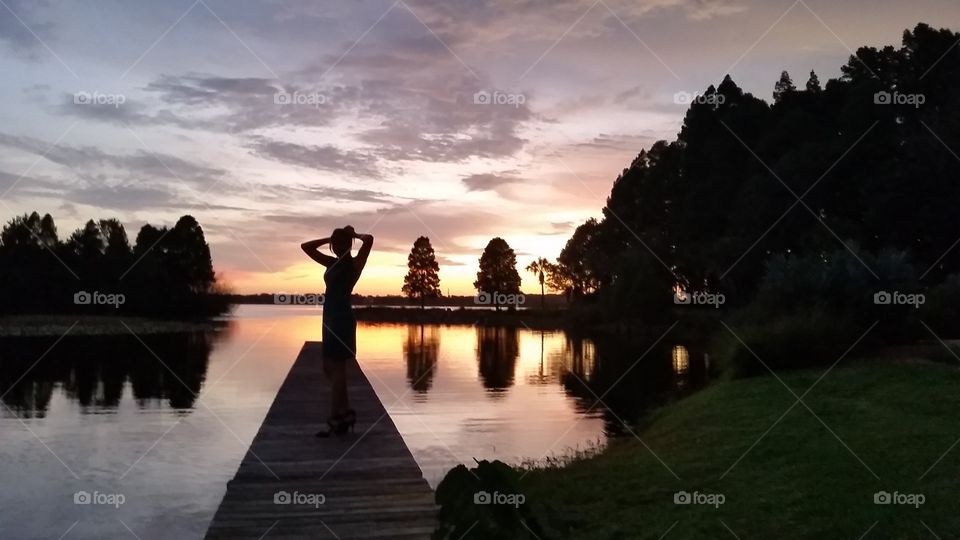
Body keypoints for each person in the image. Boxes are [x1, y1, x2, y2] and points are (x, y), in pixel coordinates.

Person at [301, 226, 374, 437]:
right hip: (329, 316)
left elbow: (369, 240)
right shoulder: (332, 262)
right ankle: (346, 412)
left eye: (340, 242)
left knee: (338, 367)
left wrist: (353, 235)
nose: (337, 246)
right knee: (328, 367)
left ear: (348, 243)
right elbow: (306, 247)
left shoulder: (354, 264)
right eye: (335, 243)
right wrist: (330, 237)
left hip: (341, 317)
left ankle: (335, 418)